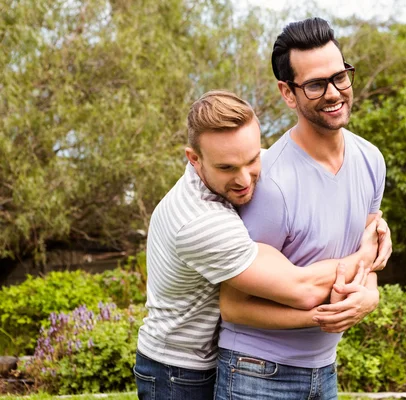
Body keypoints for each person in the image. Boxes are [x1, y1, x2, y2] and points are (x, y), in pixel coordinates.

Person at [133, 90, 391, 400]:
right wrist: (365, 254)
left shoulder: (258, 165)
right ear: (194, 159)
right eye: (227, 168)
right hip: (178, 370)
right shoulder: (200, 221)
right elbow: (303, 288)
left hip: (215, 356)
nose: (245, 179)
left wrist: (375, 230)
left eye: (253, 158)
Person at [215, 17, 389, 400]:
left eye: (340, 77)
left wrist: (370, 295)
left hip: (324, 370)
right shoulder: (273, 185)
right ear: (288, 93)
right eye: (315, 84)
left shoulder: (371, 159)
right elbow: (232, 305)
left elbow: (367, 250)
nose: (334, 93)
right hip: (256, 373)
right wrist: (318, 318)